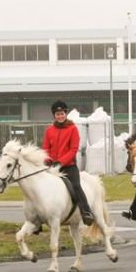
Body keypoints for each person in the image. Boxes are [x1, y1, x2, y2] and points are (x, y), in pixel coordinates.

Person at [40, 100, 94, 234]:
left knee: (76, 186)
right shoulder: (49, 130)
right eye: (57, 114)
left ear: (66, 113)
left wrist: (61, 162)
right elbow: (45, 148)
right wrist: (48, 160)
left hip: (68, 166)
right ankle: (37, 219)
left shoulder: (73, 129)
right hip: (52, 166)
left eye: (62, 113)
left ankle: (86, 212)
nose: (60, 116)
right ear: (54, 115)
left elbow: (73, 149)